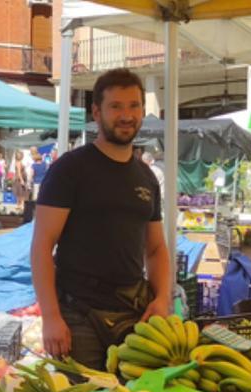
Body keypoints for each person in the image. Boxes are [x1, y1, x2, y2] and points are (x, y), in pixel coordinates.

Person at [31, 68, 171, 370]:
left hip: (134, 315)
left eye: (134, 106)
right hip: (79, 316)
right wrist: (51, 317)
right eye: (116, 106)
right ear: (97, 112)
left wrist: (162, 299)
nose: (126, 115)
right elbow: (42, 245)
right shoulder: (70, 170)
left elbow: (156, 248)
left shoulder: (146, 177)